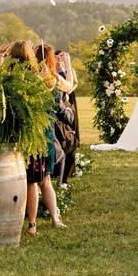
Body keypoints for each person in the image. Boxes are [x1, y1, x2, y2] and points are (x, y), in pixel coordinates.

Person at [15, 41, 65, 236]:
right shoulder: (52, 79)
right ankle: (55, 218)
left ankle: (33, 224)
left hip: (36, 136)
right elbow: (68, 85)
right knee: (46, 180)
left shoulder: (36, 81)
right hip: (47, 134)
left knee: (33, 181)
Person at [56, 50, 81, 184]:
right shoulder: (56, 70)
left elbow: (73, 83)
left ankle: (69, 168)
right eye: (58, 56)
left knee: (71, 126)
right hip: (60, 101)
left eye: (62, 56)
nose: (60, 58)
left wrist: (70, 91)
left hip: (68, 99)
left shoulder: (69, 69)